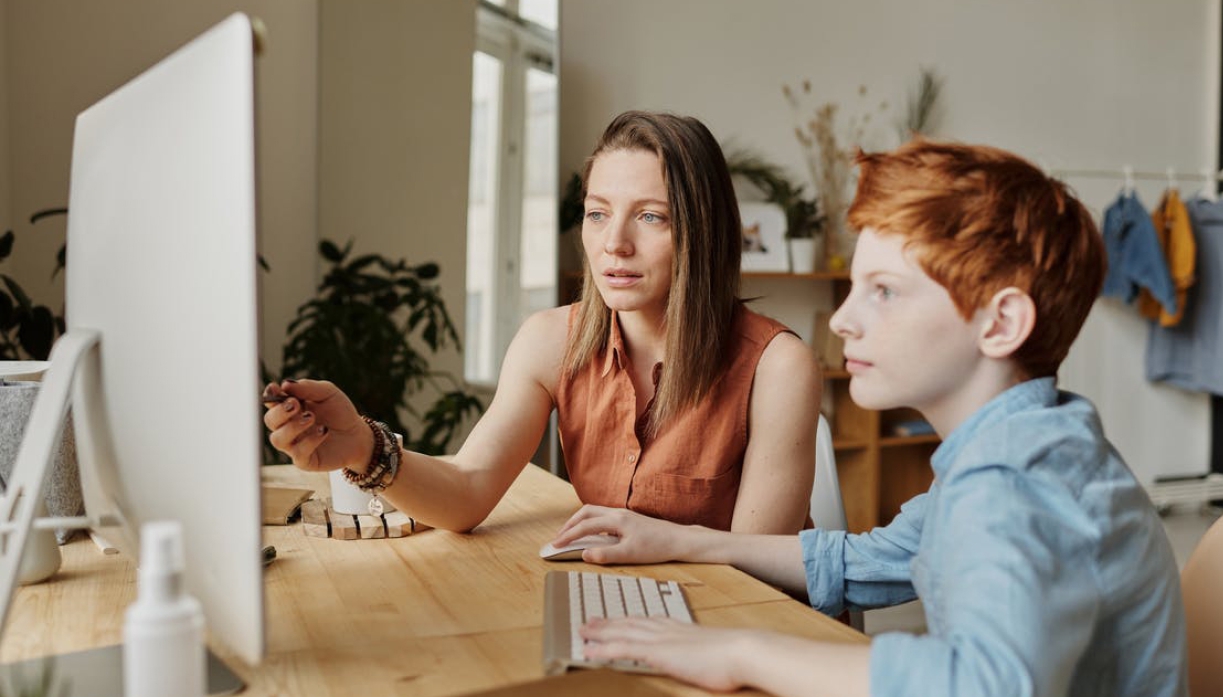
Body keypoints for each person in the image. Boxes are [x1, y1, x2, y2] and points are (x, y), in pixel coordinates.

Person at [553, 139, 1188, 696]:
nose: (841, 319)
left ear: (1001, 324)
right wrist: (683, 542)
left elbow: (983, 685)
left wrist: (741, 652)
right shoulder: (1026, 444)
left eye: (882, 291)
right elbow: (868, 561)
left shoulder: (1016, 482)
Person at [263, 110, 821, 535]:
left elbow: (757, 573)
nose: (614, 244)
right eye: (598, 213)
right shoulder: (551, 340)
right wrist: (363, 446)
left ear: (704, 233)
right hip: (629, 610)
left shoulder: (778, 366)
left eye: (651, 217)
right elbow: (467, 491)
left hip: (744, 632)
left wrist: (649, 545)